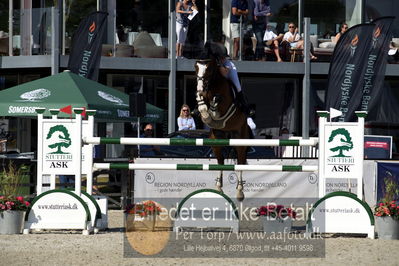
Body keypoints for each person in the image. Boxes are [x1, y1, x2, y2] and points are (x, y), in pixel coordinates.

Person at [202, 41, 254, 117]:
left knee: (238, 87)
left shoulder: (228, 64)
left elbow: (224, 74)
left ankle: (246, 107)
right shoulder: (213, 61)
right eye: (221, 57)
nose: (223, 59)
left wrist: (219, 66)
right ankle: (198, 107)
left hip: (228, 72)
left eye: (223, 57)